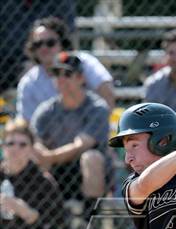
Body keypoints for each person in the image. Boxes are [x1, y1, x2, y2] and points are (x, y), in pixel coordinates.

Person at [31, 52, 114, 217]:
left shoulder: (97, 107)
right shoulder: (46, 111)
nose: (61, 79)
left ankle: (89, 220)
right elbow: (34, 141)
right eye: (56, 74)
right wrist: (44, 155)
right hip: (57, 170)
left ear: (81, 78)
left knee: (91, 157)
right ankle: (46, 217)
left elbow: (81, 145)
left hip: (86, 172)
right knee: (34, 157)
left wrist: (50, 156)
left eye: (68, 74)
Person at [17, 16, 114, 121]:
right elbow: (26, 122)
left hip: (89, 127)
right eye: (38, 44)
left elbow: (107, 91)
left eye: (50, 43)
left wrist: (97, 126)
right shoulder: (29, 82)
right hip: (49, 134)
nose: (43, 48)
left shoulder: (83, 62)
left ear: (62, 43)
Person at [0, 118, 63, 229]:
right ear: (3, 146)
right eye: (11, 143)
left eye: (23, 144)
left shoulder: (43, 181)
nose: (15, 149)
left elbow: (53, 226)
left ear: (31, 149)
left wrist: (28, 213)